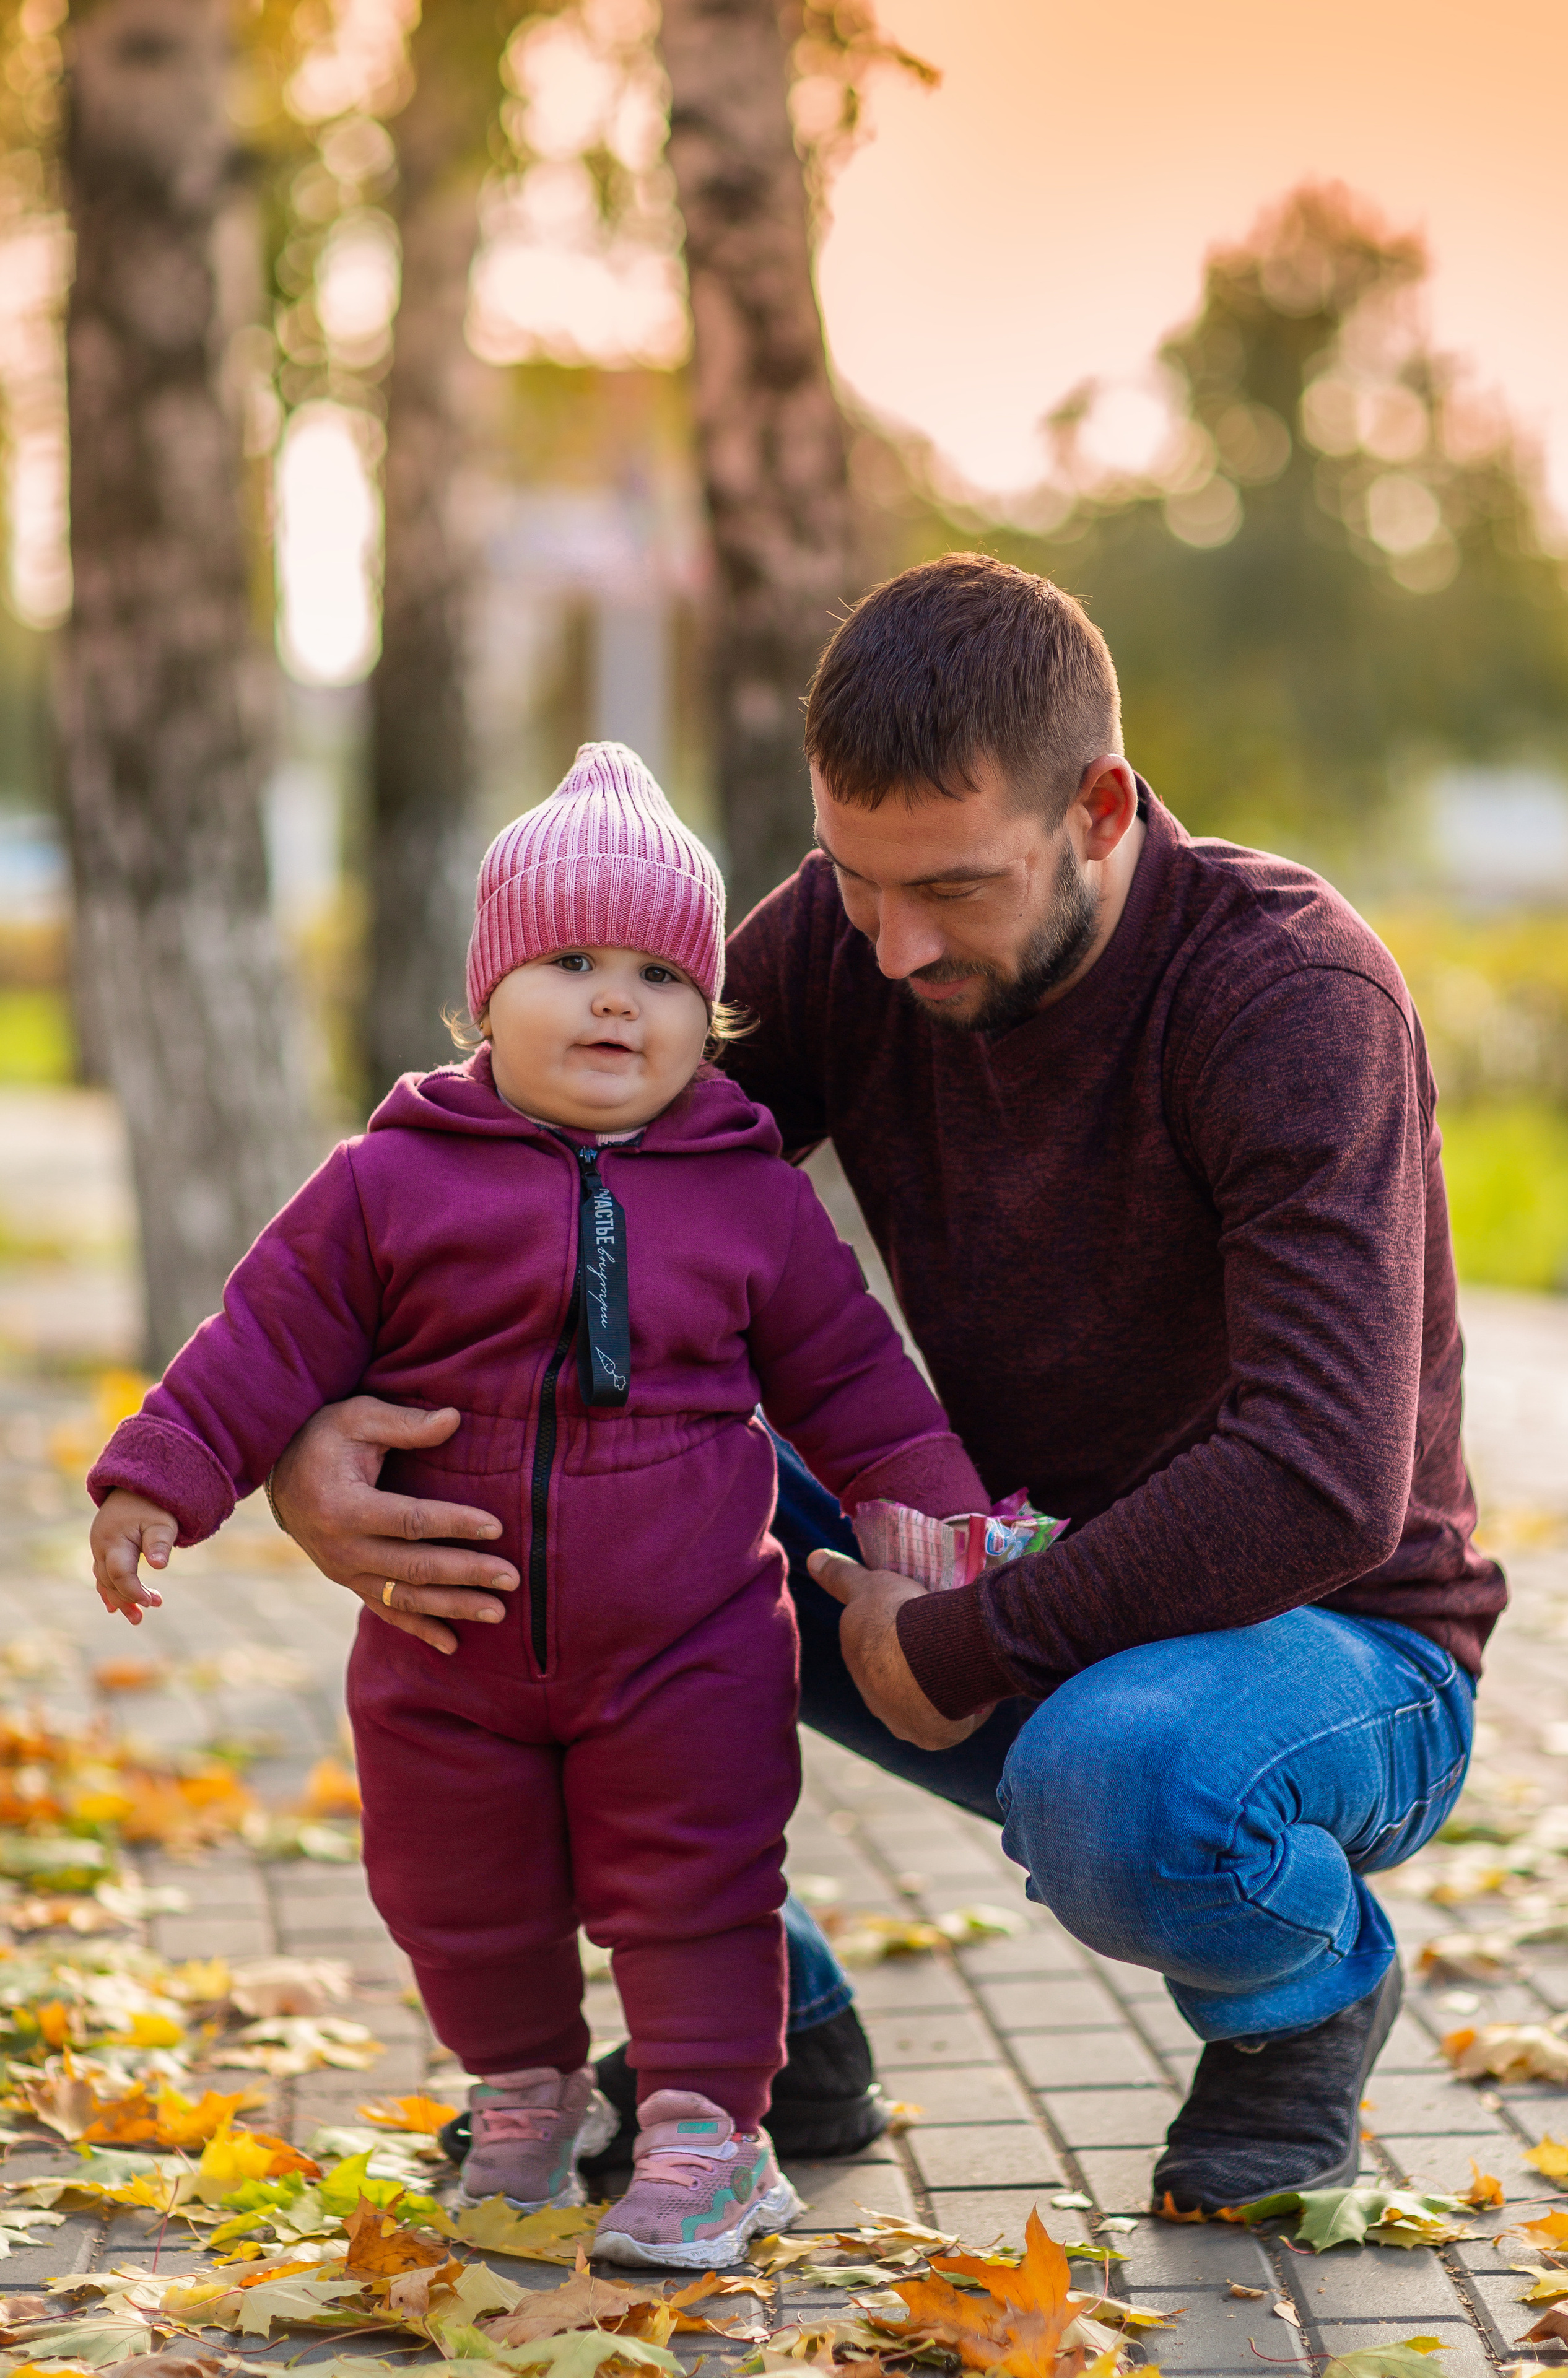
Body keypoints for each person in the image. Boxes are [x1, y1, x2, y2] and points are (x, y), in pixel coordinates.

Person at [266, 557, 1505, 2218]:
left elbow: (1322, 1475)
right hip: (974, 1569)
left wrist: (973, 1641)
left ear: (1102, 809)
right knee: (535, 1528)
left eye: (956, 890)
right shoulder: (860, 938)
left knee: (1121, 1784)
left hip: (1326, 1642)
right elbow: (557, 1179)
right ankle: (768, 2040)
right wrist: (323, 1431)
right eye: (855, 880)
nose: (894, 944)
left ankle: (1305, 2008)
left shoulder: (1287, 998)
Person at [83, 741, 990, 2267]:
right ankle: (523, 2096)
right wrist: (156, 1476)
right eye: (569, 961)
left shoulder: (745, 1189)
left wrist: (932, 1510)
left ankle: (709, 2136)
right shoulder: (386, 1181)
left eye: (658, 973)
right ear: (483, 995)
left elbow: (854, 1377)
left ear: (709, 1016)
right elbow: (263, 1340)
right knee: (456, 1888)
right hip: (449, 1639)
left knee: (700, 1880)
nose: (615, 1000)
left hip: (690, 1638)